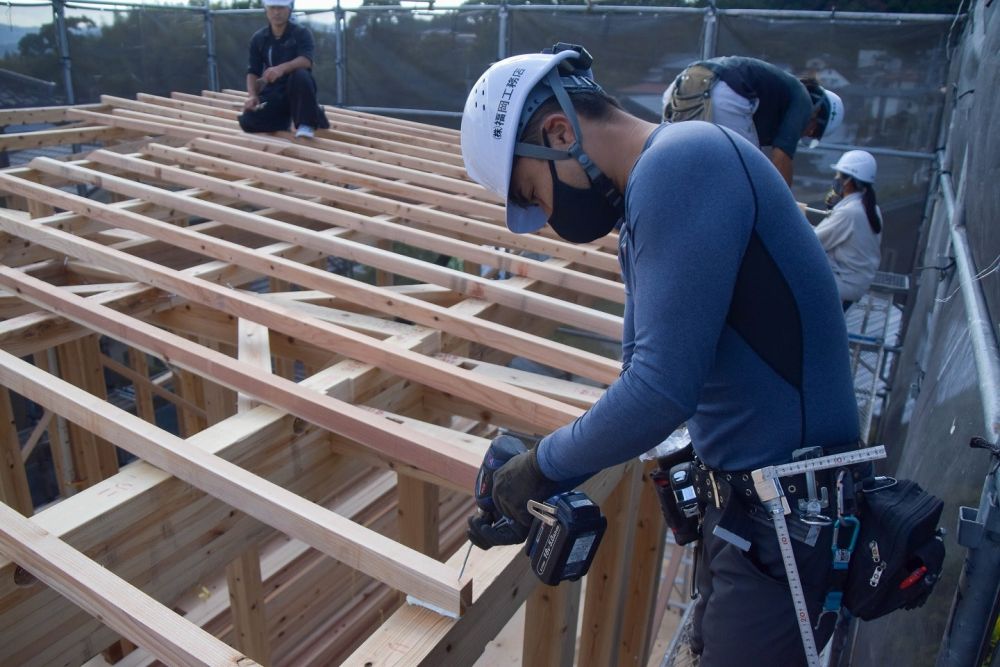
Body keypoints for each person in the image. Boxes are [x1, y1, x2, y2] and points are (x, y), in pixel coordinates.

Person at [461, 44, 860, 666]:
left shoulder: (683, 164)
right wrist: (547, 470)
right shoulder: (655, 192)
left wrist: (544, 464)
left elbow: (658, 390)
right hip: (758, 507)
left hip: (788, 515)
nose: (546, 217)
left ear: (560, 132)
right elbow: (644, 377)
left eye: (534, 193)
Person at [662, 56, 844, 185]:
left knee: (678, 162)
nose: (807, 133)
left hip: (682, 83)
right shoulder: (803, 99)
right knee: (744, 174)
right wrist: (785, 211)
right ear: (818, 111)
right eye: (813, 131)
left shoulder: (777, 98)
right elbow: (781, 160)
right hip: (724, 91)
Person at [238, 0, 330, 138]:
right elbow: (253, 71)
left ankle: (306, 123)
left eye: (281, 7)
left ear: (289, 9)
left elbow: (306, 61)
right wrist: (252, 96)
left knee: (300, 75)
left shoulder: (301, 33)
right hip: (275, 92)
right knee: (248, 121)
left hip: (298, 91)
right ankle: (286, 121)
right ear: (266, 9)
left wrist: (282, 68)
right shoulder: (259, 38)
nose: (276, 12)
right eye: (272, 8)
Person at [814, 150, 883, 310]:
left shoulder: (850, 212)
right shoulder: (870, 208)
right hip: (856, 281)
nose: (836, 179)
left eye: (839, 175)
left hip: (844, 283)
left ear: (849, 181)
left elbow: (813, 242)